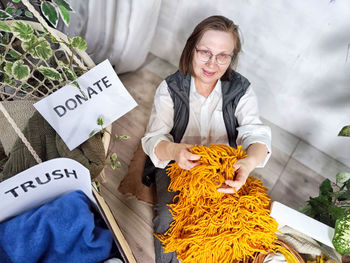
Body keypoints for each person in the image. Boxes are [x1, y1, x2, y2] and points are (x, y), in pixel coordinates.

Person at [141, 15, 271, 263]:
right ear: (191, 49)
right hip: (178, 165)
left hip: (224, 167)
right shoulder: (169, 88)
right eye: (205, 52)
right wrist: (175, 151)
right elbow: (153, 138)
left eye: (223, 55)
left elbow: (256, 134)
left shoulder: (241, 90)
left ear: (232, 58)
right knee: (168, 219)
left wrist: (248, 163)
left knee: (233, 223)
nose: (213, 63)